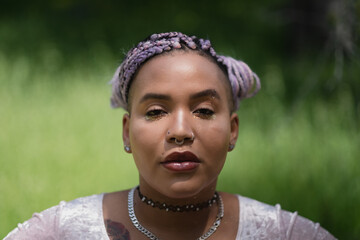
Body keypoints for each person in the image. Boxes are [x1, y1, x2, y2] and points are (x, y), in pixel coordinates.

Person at [5, 32, 336, 240]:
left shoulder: (284, 233)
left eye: (204, 110)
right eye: (155, 112)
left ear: (233, 130)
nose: (180, 132)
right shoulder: (61, 231)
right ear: (126, 133)